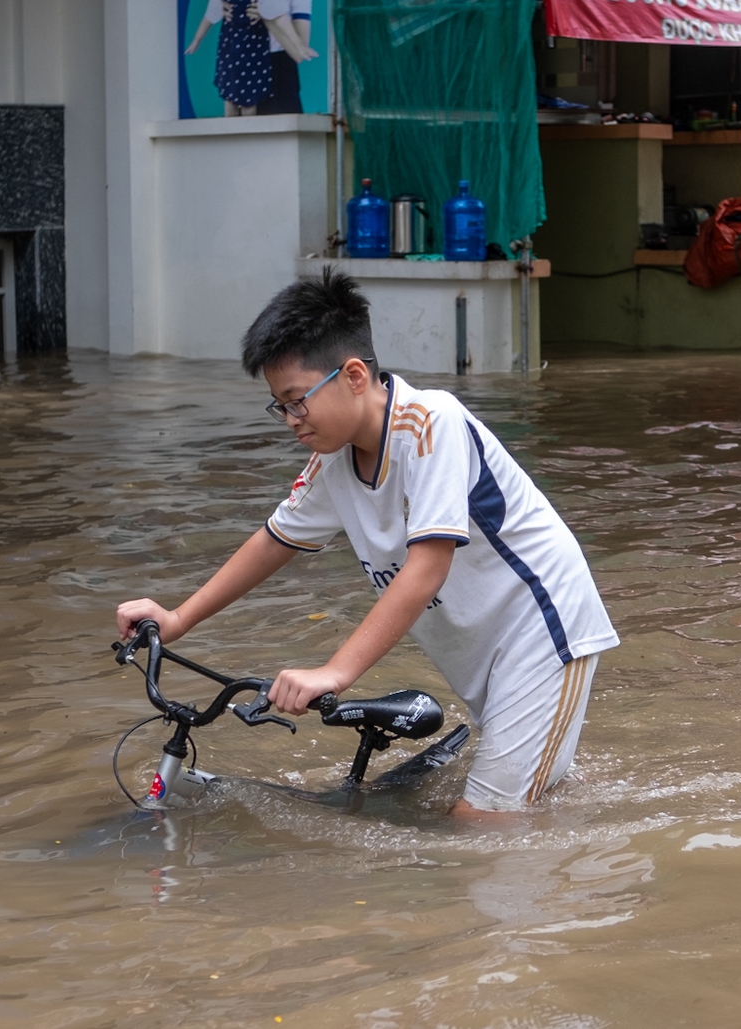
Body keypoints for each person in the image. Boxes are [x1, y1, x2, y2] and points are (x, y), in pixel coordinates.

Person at [115, 271, 619, 817]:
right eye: (278, 406)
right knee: (515, 807)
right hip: (480, 649)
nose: (289, 420)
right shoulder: (333, 460)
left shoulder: (432, 424)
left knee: (478, 827)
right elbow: (273, 541)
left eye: (296, 401)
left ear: (353, 375)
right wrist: (178, 620)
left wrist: (334, 672)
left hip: (540, 633)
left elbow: (427, 568)